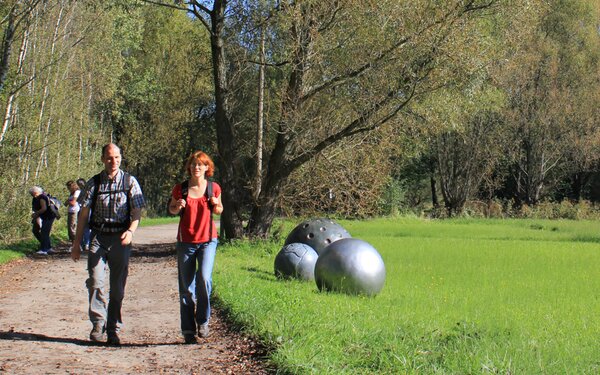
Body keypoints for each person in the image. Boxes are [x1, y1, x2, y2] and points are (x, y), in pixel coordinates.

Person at [71, 143, 145, 346]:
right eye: (110, 158)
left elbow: (137, 211)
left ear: (121, 158)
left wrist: (131, 231)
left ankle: (113, 328)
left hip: (121, 238)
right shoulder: (94, 184)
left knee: (118, 288)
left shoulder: (130, 181)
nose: (114, 162)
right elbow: (83, 214)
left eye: (117, 157)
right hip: (98, 238)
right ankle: (98, 323)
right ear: (103, 159)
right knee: (95, 281)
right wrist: (77, 244)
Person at [168, 151, 223, 344]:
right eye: (193, 165)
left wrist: (216, 204)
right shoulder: (180, 189)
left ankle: (203, 321)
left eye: (201, 165)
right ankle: (188, 330)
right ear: (189, 168)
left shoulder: (213, 188)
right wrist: (177, 206)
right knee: (187, 288)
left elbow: (219, 209)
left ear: (207, 167)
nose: (196, 168)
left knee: (204, 280)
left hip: (208, 240)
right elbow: (172, 209)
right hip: (186, 242)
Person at [29, 186, 56, 255]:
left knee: (44, 232)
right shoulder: (35, 198)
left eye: (31, 193)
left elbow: (44, 208)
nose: (31, 195)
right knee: (43, 232)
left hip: (49, 216)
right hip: (44, 217)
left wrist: (36, 214)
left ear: (35, 192)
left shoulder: (42, 197)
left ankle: (44, 249)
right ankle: (48, 248)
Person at [76, 178, 91, 251]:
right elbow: (78, 200)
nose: (80, 186)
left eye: (81, 184)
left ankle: (87, 243)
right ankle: (84, 244)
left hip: (88, 209)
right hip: (83, 209)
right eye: (79, 184)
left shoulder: (89, 190)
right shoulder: (83, 191)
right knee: (84, 227)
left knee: (87, 227)